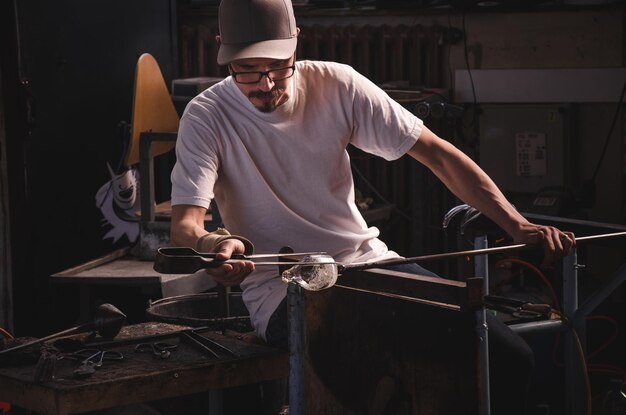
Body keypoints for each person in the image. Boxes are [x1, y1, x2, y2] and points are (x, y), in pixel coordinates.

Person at [169, 0, 575, 413]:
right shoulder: (207, 116)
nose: (266, 83)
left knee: (506, 356)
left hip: (369, 265)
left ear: (296, 44)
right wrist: (214, 243)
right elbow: (185, 225)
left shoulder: (338, 84)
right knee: (375, 379)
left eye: (278, 66)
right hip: (283, 292)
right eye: (248, 72)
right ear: (223, 54)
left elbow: (438, 154)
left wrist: (517, 224)